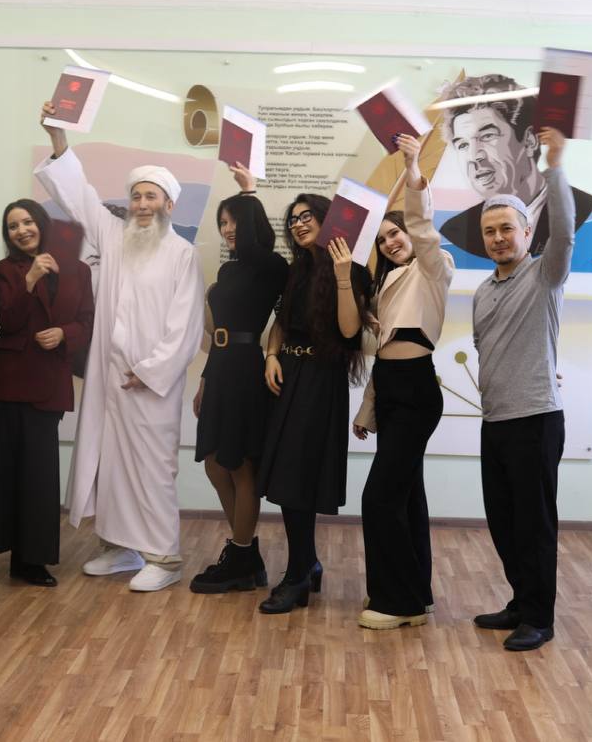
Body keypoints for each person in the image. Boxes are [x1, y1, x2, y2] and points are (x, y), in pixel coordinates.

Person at [34, 102, 205, 593]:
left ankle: (165, 557)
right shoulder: (113, 236)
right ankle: (121, 547)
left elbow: (186, 327)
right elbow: (80, 197)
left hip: (149, 385)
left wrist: (149, 370)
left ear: (169, 205)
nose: (142, 204)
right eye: (136, 196)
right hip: (109, 379)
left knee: (151, 470)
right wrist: (58, 138)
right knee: (110, 463)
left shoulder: (182, 254)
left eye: (151, 196)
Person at [471, 127, 573, 652]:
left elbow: (566, 237)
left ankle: (539, 617)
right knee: (504, 522)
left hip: (535, 420)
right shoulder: (482, 292)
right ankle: (520, 600)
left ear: (527, 232)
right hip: (495, 422)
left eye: (506, 229)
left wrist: (555, 165)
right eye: (490, 231)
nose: (498, 238)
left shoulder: (544, 278)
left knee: (534, 526)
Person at [352, 134, 454, 629]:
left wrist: (413, 170)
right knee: (408, 493)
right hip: (391, 388)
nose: (390, 242)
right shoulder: (386, 287)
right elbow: (382, 358)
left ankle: (397, 601)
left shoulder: (433, 269)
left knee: (379, 497)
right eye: (382, 240)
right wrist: (366, 410)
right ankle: (417, 595)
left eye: (395, 234)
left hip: (415, 390)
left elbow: (425, 230)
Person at [256, 196, 373, 614]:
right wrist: (272, 355)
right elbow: (281, 323)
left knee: (298, 478)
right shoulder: (297, 269)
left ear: (327, 221)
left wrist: (342, 276)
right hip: (288, 376)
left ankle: (298, 575)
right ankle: (307, 565)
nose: (298, 224)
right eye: (292, 219)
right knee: (287, 477)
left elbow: (349, 332)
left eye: (307, 216)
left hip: (321, 381)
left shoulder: (352, 268)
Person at [0, 199, 94, 586]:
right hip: (8, 384)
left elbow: (87, 322)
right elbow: (7, 320)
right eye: (12, 226)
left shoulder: (78, 270)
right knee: (6, 472)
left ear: (41, 224)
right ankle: (7, 550)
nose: (21, 230)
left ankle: (33, 560)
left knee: (40, 476)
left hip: (49, 383)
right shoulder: (5, 269)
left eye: (27, 222)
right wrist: (29, 280)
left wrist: (64, 334)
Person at [189, 163, 289, 593]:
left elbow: (279, 318)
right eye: (223, 223)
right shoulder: (227, 272)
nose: (227, 229)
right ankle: (245, 555)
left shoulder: (270, 266)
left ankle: (240, 555)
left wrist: (248, 192)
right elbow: (218, 334)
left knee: (241, 465)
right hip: (220, 368)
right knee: (215, 463)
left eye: (233, 222)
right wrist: (204, 379)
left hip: (247, 370)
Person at [436, 74, 592, 261]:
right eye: (463, 145)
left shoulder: (585, 210)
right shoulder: (456, 230)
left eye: (487, 136)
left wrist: (555, 163)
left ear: (529, 140)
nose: (474, 156)